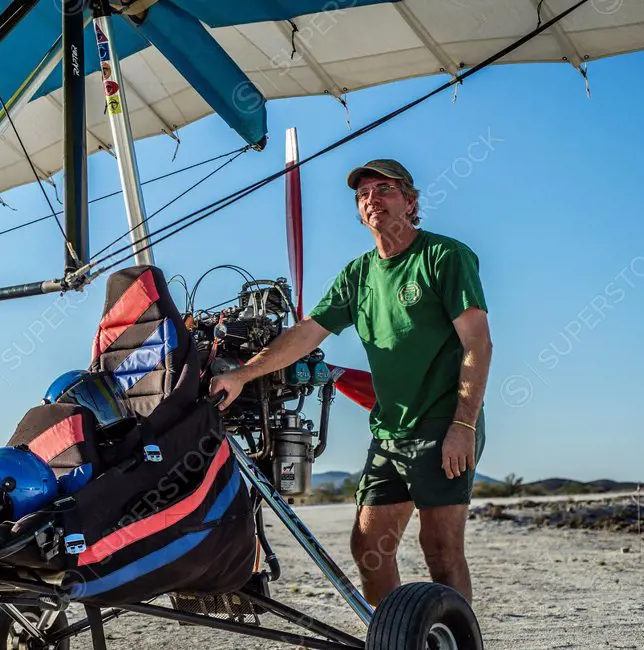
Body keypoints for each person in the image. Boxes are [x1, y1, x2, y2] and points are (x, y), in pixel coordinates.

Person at [210, 159, 492, 607]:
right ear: (359, 213)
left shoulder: (444, 257)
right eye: (363, 195)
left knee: (440, 549)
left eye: (385, 189)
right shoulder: (357, 276)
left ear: (411, 201)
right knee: (370, 550)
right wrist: (242, 374)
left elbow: (478, 344)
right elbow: (307, 333)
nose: (372, 198)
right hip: (389, 431)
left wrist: (464, 425)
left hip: (441, 423)